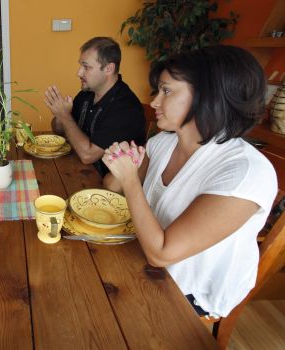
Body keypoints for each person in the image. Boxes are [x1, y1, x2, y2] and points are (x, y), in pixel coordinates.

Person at [102, 45, 277, 317]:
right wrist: (121, 165)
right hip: (142, 260)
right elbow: (112, 188)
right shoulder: (162, 143)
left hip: (186, 295)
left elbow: (161, 253)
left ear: (209, 97)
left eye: (167, 91)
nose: (154, 102)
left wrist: (130, 180)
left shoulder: (245, 172)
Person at [44, 37, 145, 176]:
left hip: (106, 188)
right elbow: (59, 130)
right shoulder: (88, 93)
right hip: (77, 170)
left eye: (86, 67)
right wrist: (60, 115)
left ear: (109, 69)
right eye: (80, 66)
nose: (78, 73)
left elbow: (88, 156)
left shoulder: (125, 108)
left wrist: (64, 116)